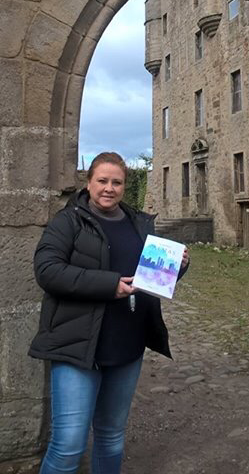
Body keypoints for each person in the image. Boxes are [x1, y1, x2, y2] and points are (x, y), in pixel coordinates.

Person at [29, 151, 189, 474]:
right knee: (68, 446)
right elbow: (47, 270)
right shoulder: (68, 221)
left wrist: (178, 266)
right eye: (102, 180)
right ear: (88, 183)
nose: (109, 188)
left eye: (116, 182)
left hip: (126, 346)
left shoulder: (137, 223)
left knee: (111, 437)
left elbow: (146, 277)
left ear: (124, 185)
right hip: (78, 347)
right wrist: (109, 285)